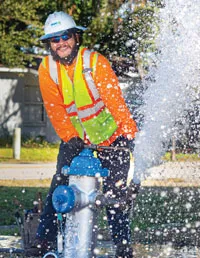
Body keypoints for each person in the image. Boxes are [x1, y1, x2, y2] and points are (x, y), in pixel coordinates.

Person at [25, 11, 139, 257]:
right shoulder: (47, 69)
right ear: (49, 44)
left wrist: (129, 134)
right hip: (77, 141)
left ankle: (122, 249)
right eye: (54, 39)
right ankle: (41, 246)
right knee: (59, 188)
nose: (61, 43)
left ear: (76, 37)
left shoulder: (95, 62)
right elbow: (55, 109)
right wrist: (71, 138)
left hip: (112, 139)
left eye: (65, 36)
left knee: (115, 197)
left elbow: (115, 101)